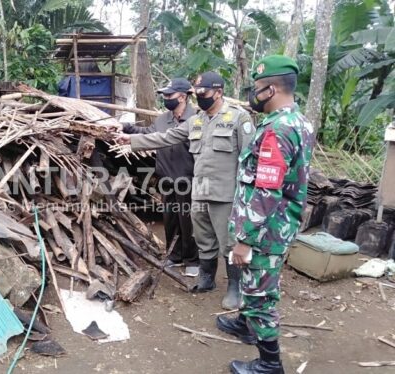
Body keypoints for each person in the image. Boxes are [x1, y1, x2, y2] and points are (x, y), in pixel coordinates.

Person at [115, 72, 254, 310]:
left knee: (229, 242)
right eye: (197, 93)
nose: (199, 97)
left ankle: (234, 288)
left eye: (204, 93)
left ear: (218, 92)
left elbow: (249, 160)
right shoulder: (196, 121)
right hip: (198, 190)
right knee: (203, 238)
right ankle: (207, 279)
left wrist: (246, 197)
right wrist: (130, 140)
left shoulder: (238, 118)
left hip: (225, 193)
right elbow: (166, 137)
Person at [217, 55, 314, 374]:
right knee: (252, 281)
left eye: (256, 88)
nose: (252, 95)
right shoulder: (298, 120)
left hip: (266, 230)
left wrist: (245, 239)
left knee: (260, 294)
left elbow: (267, 189)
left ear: (270, 90)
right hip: (276, 224)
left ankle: (270, 363)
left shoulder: (278, 128)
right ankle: (246, 324)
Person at [122, 78, 199, 277]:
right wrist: (127, 128)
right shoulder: (163, 119)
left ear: (183, 96)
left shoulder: (197, 118)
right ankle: (175, 255)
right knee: (170, 217)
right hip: (166, 176)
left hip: (188, 178)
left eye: (169, 95)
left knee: (188, 220)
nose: (165, 98)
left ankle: (192, 259)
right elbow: (148, 134)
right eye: (163, 95)